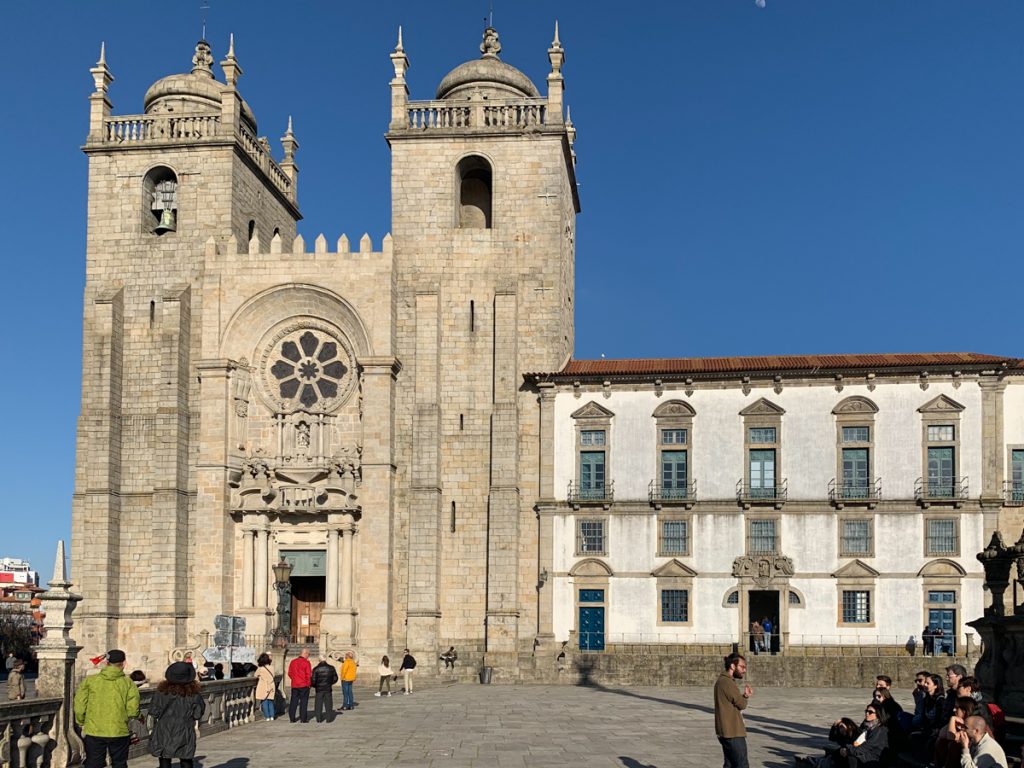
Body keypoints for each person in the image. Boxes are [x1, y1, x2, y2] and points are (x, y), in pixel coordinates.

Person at [73, 649, 141, 768]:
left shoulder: (90, 681)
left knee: (94, 762)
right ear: (124, 663)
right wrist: (138, 716)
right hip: (119, 730)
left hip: (94, 730)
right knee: (119, 763)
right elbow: (133, 710)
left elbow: (79, 706)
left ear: (106, 663)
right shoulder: (128, 683)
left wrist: (81, 721)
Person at [148, 661, 206, 768]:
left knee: (165, 759)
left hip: (164, 729)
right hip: (185, 729)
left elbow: (153, 711)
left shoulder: (161, 692)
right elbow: (198, 714)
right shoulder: (194, 694)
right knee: (186, 759)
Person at [714, 652, 753, 768]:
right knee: (742, 764)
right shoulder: (727, 682)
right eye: (742, 667)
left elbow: (734, 701)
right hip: (733, 731)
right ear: (732, 666)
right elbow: (741, 704)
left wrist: (744, 696)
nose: (744, 670)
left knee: (730, 765)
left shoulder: (723, 681)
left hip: (727, 731)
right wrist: (745, 698)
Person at [286, 648, 312, 723]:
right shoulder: (306, 662)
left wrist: (294, 679)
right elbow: (308, 675)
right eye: (308, 654)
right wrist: (308, 684)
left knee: (293, 702)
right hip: (304, 685)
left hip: (295, 685)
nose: (308, 656)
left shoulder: (293, 662)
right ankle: (303, 719)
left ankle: (292, 718)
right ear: (305, 653)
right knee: (303, 702)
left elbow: (290, 673)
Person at [311, 657, 338, 722]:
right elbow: (335, 678)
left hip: (319, 689)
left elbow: (313, 680)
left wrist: (316, 686)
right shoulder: (331, 668)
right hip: (328, 688)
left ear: (319, 660)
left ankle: (319, 719)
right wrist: (330, 683)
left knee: (318, 704)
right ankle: (328, 719)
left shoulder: (316, 669)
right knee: (328, 704)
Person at [254, 653, 276, 721]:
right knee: (270, 701)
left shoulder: (260, 668)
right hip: (271, 686)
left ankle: (267, 717)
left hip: (264, 686)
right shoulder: (272, 667)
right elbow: (274, 675)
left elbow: (255, 675)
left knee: (264, 701)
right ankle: (272, 716)